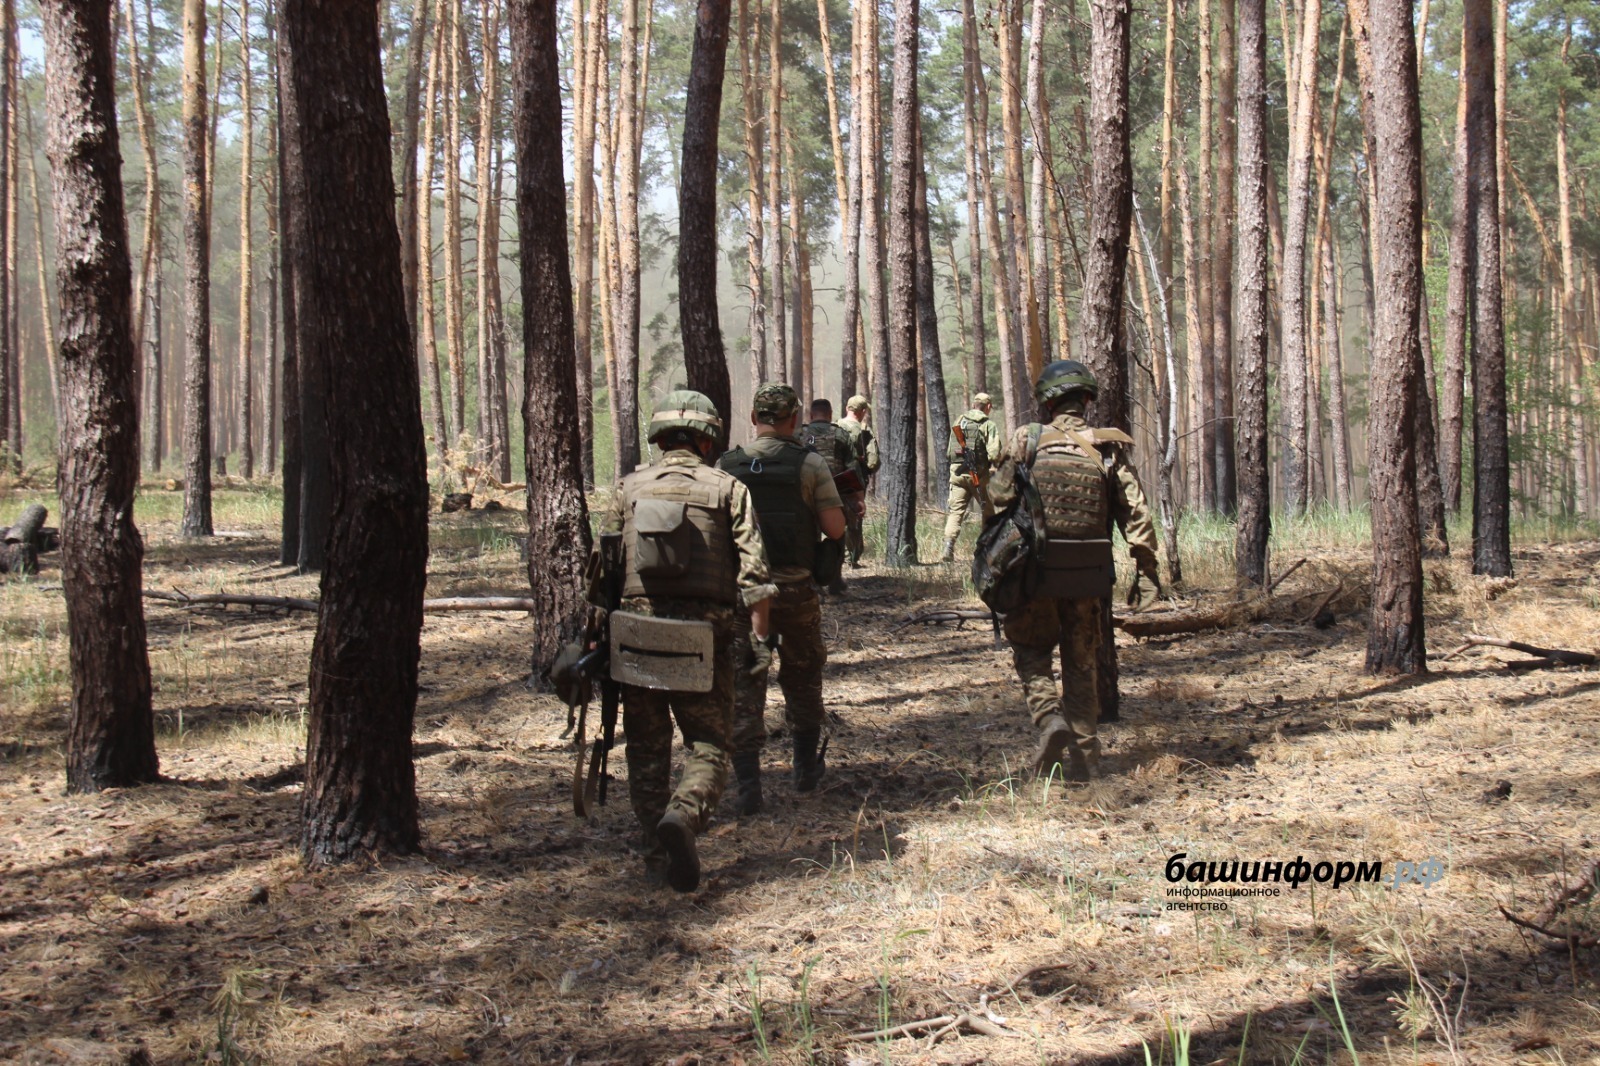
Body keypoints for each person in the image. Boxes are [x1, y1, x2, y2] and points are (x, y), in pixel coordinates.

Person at [589, 391, 776, 891]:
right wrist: (759, 644)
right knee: (711, 745)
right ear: (706, 437)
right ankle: (684, 815)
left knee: (646, 751)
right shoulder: (728, 489)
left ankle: (655, 859)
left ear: (660, 435)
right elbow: (755, 578)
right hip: (704, 643)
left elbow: (601, 577)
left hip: (636, 641)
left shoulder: (626, 490)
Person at [987, 361, 1160, 783]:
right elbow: (1135, 512)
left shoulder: (1027, 439)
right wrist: (1147, 569)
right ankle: (1086, 762)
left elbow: (997, 499)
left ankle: (1049, 720)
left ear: (1047, 403)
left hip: (1036, 575)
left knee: (1031, 652)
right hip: (1088, 576)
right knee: (1081, 664)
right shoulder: (1106, 447)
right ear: (1086, 400)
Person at [719, 384, 848, 813]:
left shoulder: (728, 465)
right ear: (794, 420)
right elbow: (834, 530)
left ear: (753, 417)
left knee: (744, 683)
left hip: (744, 594)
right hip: (794, 592)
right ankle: (805, 771)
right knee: (803, 676)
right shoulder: (808, 464)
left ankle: (749, 786)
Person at [801, 398, 866, 594]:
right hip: (835, 496)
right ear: (830, 415)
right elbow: (853, 470)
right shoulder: (841, 435)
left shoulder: (799, 435)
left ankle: (811, 581)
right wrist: (858, 499)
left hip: (805, 496)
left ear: (811, 416)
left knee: (807, 537)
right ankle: (834, 579)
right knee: (837, 535)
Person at [939, 392, 1004, 562]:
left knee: (956, 512)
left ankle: (948, 547)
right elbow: (995, 453)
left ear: (975, 404)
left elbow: (949, 452)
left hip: (958, 475)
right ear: (988, 407)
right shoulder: (988, 424)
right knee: (987, 511)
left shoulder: (959, 421)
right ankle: (986, 548)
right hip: (977, 477)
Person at [835, 395, 879, 567]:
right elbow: (873, 460)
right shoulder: (864, 430)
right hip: (854, 480)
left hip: (833, 477)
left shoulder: (835, 426)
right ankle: (851, 557)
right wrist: (867, 470)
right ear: (862, 412)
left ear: (847, 408)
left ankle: (837, 556)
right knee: (854, 517)